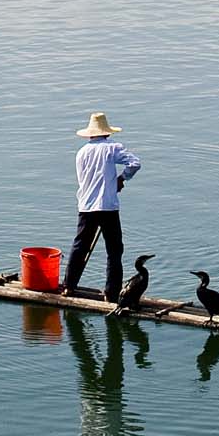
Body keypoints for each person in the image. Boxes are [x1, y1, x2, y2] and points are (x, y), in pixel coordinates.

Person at [61, 111, 141, 301]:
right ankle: (111, 293)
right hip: (108, 206)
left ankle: (69, 286)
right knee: (114, 250)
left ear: (90, 134)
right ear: (107, 133)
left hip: (87, 206)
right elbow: (135, 163)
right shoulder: (112, 148)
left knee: (80, 246)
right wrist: (121, 178)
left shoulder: (81, 153)